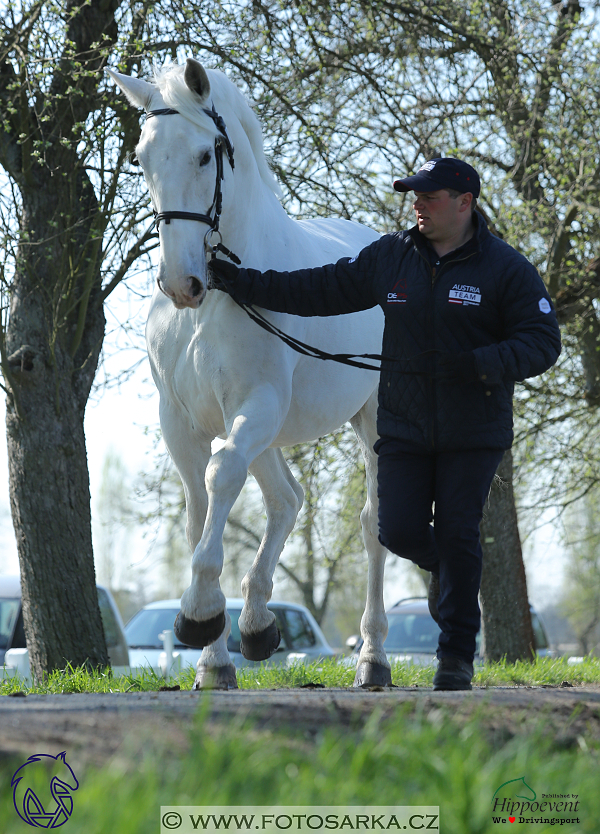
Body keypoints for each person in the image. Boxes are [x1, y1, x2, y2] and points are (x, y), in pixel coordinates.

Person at [209, 157, 561, 690]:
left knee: (462, 531)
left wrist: (477, 364)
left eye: (430, 196)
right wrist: (246, 284)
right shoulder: (391, 257)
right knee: (395, 529)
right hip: (405, 429)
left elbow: (543, 341)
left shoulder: (505, 269)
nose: (417, 203)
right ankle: (448, 568)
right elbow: (320, 289)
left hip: (473, 432)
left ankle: (456, 659)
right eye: (413, 195)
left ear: (465, 203)